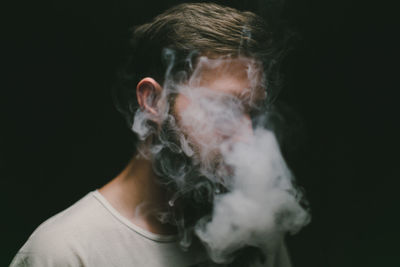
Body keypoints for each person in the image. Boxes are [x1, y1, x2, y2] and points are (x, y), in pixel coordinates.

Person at [11, 3, 306, 266]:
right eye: (224, 108)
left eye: (252, 113)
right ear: (152, 101)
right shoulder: (64, 253)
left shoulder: (255, 232)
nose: (246, 138)